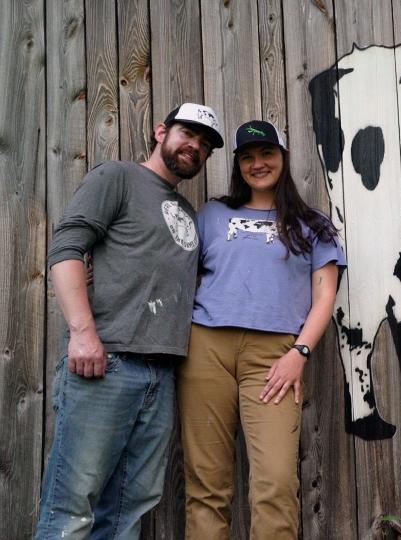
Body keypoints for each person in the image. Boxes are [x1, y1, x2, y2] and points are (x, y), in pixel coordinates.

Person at [37, 103, 224, 539]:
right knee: (71, 509)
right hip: (106, 365)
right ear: (161, 131)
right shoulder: (117, 177)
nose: (195, 146)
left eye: (205, 144)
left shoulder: (185, 211)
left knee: (127, 512)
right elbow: (66, 247)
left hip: (162, 374)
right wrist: (83, 334)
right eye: (187, 134)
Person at [178, 120, 344, 539]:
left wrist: (299, 354)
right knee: (207, 483)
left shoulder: (313, 224)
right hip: (206, 348)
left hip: (275, 357)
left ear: (283, 159)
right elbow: (174, 271)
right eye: (248, 157)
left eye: (267, 154)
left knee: (275, 482)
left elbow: (325, 297)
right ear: (238, 165)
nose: (258, 164)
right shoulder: (213, 214)